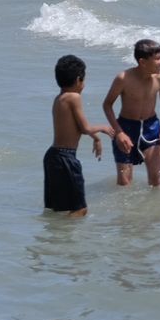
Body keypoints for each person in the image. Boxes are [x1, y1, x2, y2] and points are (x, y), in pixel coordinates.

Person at [44, 54, 109, 216]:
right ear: (79, 80)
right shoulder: (74, 97)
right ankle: (68, 233)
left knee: (56, 210)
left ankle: (56, 232)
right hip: (66, 158)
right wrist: (104, 128)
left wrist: (96, 138)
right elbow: (85, 128)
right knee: (80, 209)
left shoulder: (59, 98)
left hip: (53, 156)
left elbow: (76, 128)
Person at [102, 39, 160, 189]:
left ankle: (155, 205)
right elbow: (107, 105)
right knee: (124, 183)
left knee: (156, 180)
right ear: (143, 62)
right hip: (126, 128)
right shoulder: (123, 79)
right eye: (157, 59)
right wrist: (119, 133)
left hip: (151, 127)